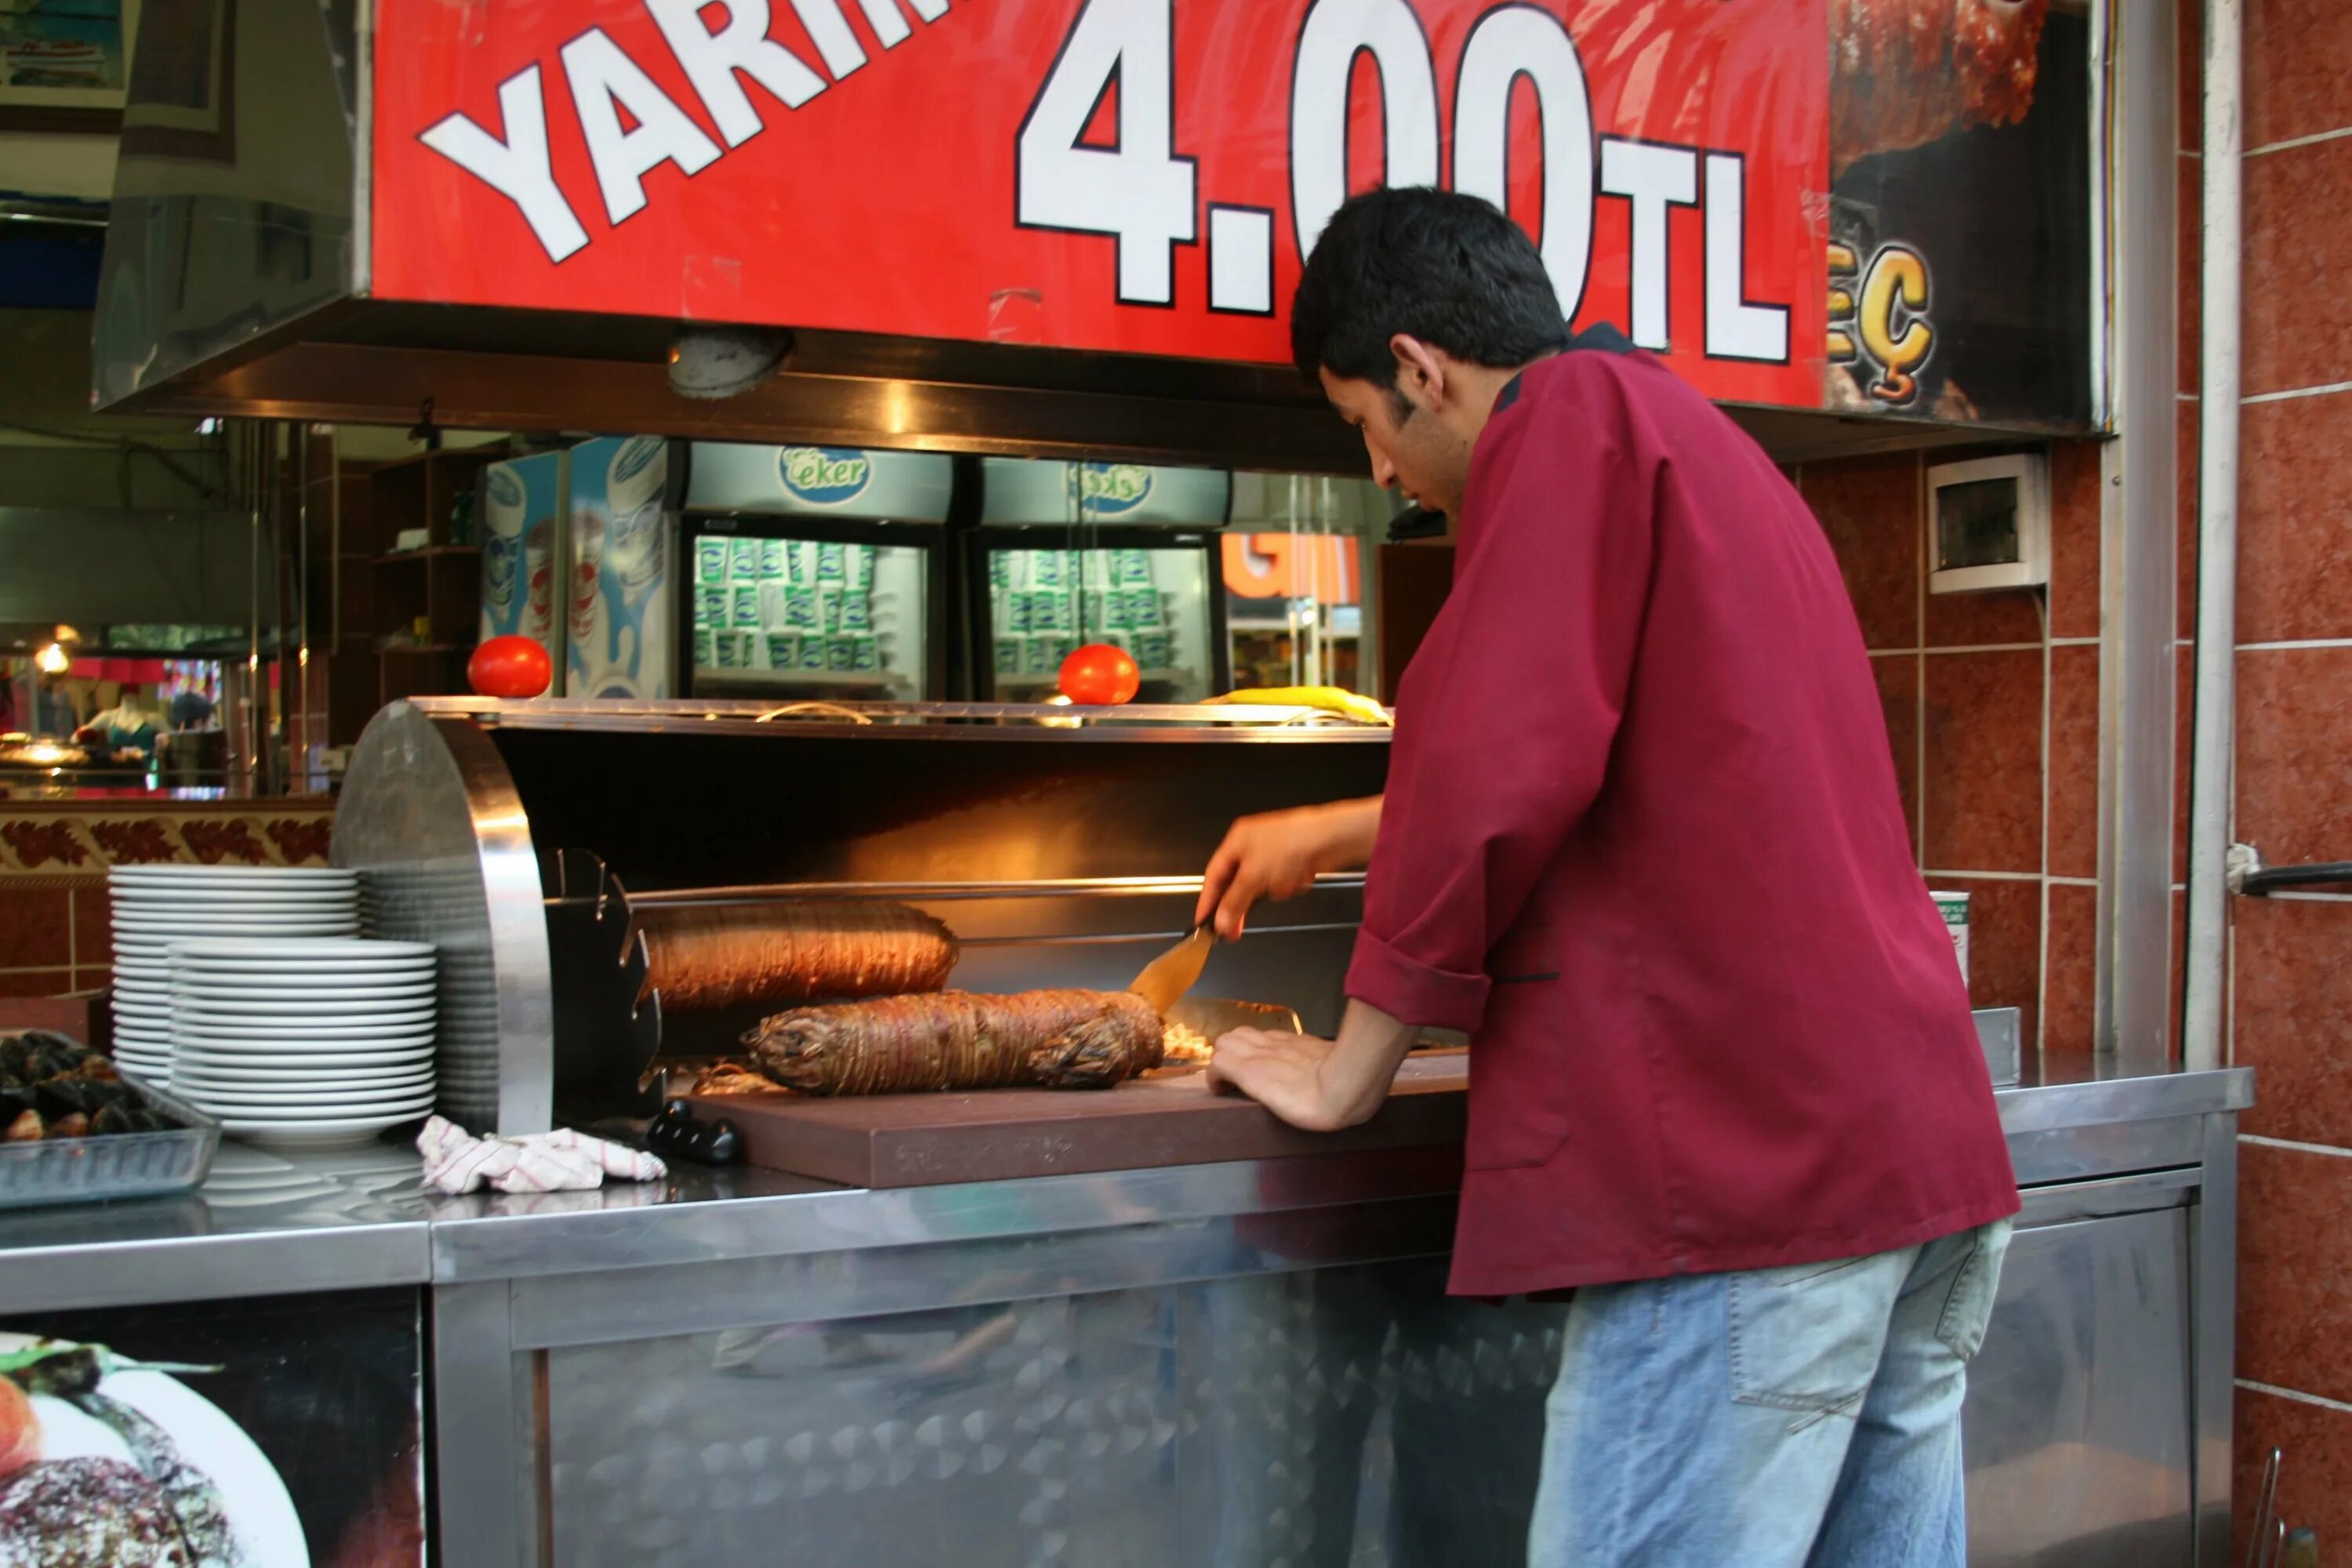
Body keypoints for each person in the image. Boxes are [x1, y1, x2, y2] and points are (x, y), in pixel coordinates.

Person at [1196, 188, 2019, 1568]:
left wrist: (1352, 1068)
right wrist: (1343, 831)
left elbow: (1495, 759)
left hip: (1751, 1188)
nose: (1384, 475)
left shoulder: (1564, 431)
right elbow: (1613, 752)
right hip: (1908, 1161)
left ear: (1418, 368)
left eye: (1363, 429)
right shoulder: (1695, 440)